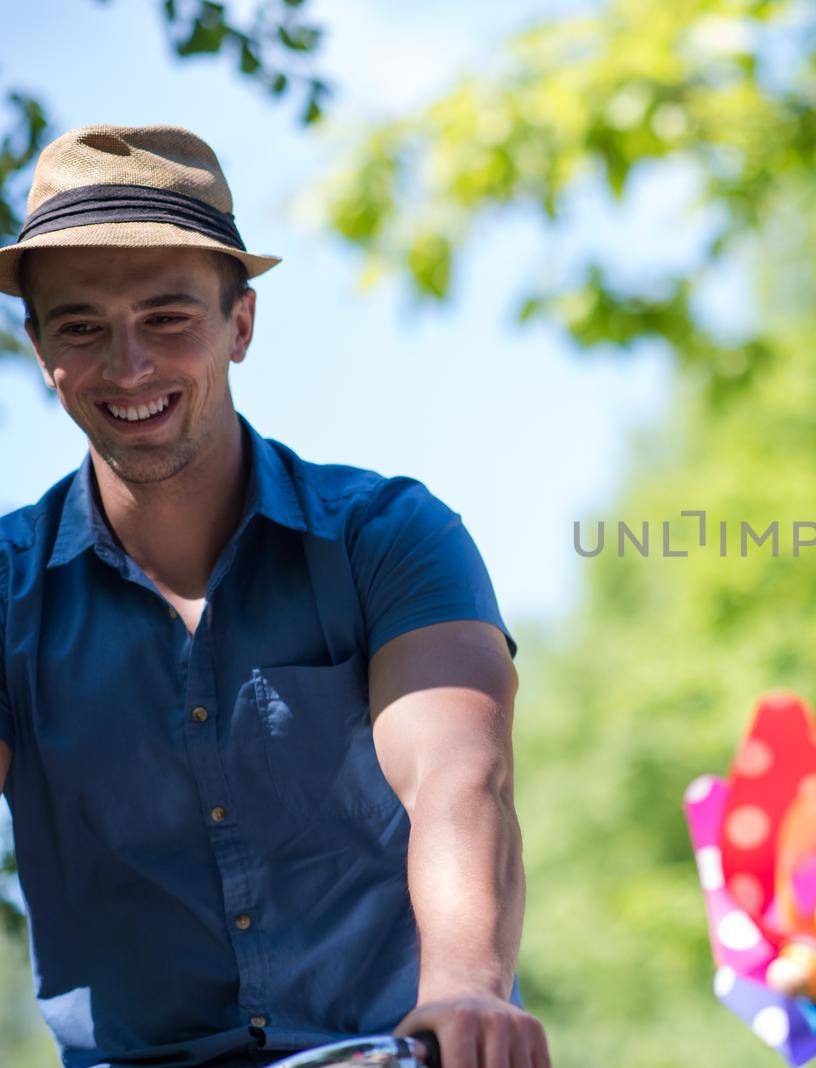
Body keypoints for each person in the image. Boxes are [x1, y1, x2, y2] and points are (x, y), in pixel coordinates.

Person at [0, 126, 551, 1068]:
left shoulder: (390, 537)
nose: (128, 366)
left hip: (383, 1052)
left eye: (169, 317)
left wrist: (463, 987)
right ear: (39, 345)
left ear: (241, 326)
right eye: (82, 326)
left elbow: (460, 779)